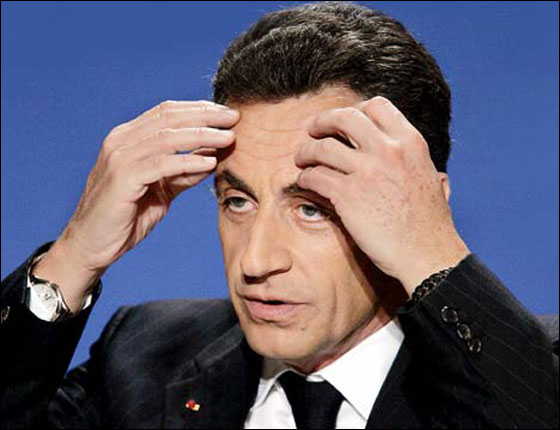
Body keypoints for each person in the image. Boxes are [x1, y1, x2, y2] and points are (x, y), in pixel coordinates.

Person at [1, 2, 558, 429]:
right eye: (237, 201)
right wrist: (73, 257)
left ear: (421, 206)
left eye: (312, 207)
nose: (256, 260)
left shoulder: (526, 375)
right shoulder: (145, 356)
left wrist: (436, 258)